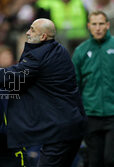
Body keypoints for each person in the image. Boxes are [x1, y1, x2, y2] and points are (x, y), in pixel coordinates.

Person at [0, 18, 87, 167]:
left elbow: (10, 75)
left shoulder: (34, 58)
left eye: (32, 29)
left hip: (19, 142)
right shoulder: (59, 50)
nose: (27, 32)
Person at [72, 11, 114, 167]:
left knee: (111, 159)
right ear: (89, 26)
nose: (98, 28)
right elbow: (74, 84)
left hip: (113, 114)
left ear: (107, 25)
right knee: (94, 161)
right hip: (91, 114)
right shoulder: (81, 51)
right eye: (94, 24)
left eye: (101, 24)